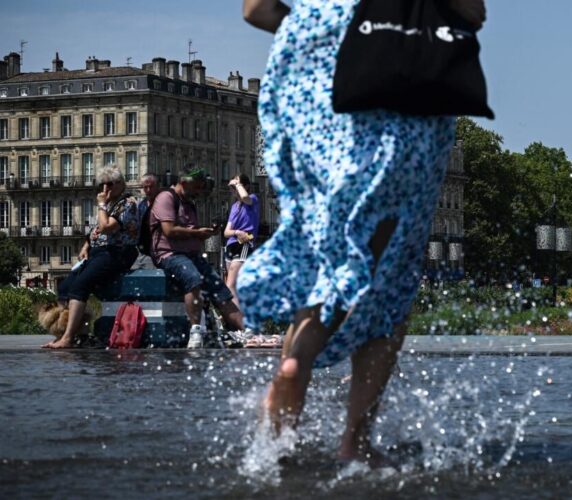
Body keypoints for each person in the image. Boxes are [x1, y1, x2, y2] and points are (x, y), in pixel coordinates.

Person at [240, 0, 486, 464]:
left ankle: (297, 360)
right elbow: (470, 13)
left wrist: (320, 30)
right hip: (397, 83)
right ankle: (355, 442)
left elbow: (255, 10)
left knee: (327, 255)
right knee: (388, 274)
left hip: (312, 86)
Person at [43, 166, 140, 349]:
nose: (104, 189)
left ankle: (68, 337)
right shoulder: (110, 203)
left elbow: (106, 227)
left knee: (81, 286)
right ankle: (76, 333)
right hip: (99, 252)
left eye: (109, 184)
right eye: (101, 184)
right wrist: (87, 244)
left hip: (117, 252)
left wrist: (102, 205)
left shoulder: (128, 204)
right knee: (65, 287)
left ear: (120, 184)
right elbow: (97, 230)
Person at [149, 166, 246, 349]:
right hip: (169, 254)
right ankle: (195, 331)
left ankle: (248, 331)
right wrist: (196, 233)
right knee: (192, 277)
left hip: (191, 254)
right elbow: (169, 230)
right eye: (196, 187)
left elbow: (189, 231)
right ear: (184, 183)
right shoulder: (166, 198)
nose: (199, 191)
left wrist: (203, 234)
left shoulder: (188, 202)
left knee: (220, 289)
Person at [222, 174, 260, 307]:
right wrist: (236, 232)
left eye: (236, 186)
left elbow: (245, 197)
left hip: (244, 243)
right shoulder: (234, 207)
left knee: (230, 285)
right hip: (231, 244)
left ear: (246, 186)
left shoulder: (253, 199)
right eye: (232, 188)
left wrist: (238, 184)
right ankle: (236, 320)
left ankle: (240, 321)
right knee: (234, 286)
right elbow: (226, 232)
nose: (234, 190)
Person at [132, 173, 162, 270]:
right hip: (142, 250)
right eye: (145, 187)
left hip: (159, 250)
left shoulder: (164, 204)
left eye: (151, 187)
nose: (148, 190)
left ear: (158, 186)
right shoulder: (141, 205)